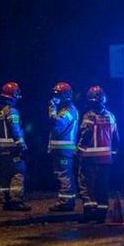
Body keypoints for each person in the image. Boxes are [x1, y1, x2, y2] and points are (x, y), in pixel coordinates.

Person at [77, 85, 119, 222]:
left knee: (87, 186)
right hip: (105, 159)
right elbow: (116, 138)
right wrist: (113, 153)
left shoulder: (89, 116)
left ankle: (89, 212)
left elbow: (85, 135)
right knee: (102, 186)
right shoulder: (110, 116)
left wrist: (79, 151)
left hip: (89, 157)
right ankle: (101, 214)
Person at [0, 81, 30, 211]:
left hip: (1, 149)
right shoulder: (12, 111)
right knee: (18, 173)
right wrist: (21, 144)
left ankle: (5, 199)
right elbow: (15, 129)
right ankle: (16, 200)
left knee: (5, 175)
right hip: (13, 149)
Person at [47, 81, 79, 212]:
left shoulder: (69, 111)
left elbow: (57, 126)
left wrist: (51, 108)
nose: (56, 98)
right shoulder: (66, 110)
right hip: (61, 150)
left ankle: (66, 202)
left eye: (58, 95)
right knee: (63, 174)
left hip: (64, 150)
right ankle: (67, 201)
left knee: (64, 175)